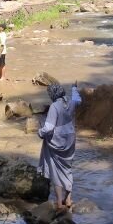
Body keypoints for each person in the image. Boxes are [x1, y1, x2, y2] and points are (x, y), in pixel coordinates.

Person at [37, 83, 82, 211]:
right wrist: (74, 88)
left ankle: (59, 202)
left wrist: (39, 132)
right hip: (70, 139)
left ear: (52, 94)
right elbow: (78, 99)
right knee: (67, 168)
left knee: (56, 170)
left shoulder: (54, 106)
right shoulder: (70, 102)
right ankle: (68, 199)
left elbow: (49, 128)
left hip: (56, 142)